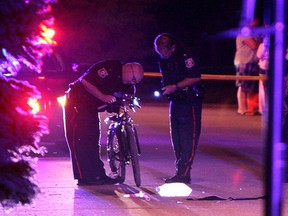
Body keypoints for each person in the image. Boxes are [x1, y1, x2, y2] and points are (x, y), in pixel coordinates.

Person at [64, 60, 144, 186]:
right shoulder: (109, 67)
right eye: (133, 79)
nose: (132, 83)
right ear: (128, 69)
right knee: (81, 139)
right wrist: (102, 96)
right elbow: (85, 81)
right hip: (77, 102)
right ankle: (85, 177)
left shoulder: (126, 83)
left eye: (135, 82)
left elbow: (126, 97)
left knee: (93, 140)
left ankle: (97, 174)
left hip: (91, 108)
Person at [154, 33, 204, 184]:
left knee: (188, 138)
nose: (161, 54)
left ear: (172, 47)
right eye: (158, 50)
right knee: (176, 137)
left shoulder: (185, 56)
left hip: (189, 100)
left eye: (164, 50)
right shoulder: (163, 59)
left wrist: (175, 87)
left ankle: (184, 172)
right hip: (175, 100)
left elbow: (195, 77)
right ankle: (180, 172)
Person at [234, 18, 261, 115]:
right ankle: (241, 108)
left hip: (252, 61)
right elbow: (254, 45)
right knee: (242, 85)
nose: (257, 22)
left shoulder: (254, 33)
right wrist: (261, 42)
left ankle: (250, 109)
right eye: (254, 20)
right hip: (243, 61)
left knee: (250, 87)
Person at [256, 35, 270, 115]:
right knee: (263, 89)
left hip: (272, 69)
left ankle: (269, 109)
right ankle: (263, 109)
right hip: (263, 68)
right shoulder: (262, 46)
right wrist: (265, 48)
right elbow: (259, 56)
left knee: (270, 89)